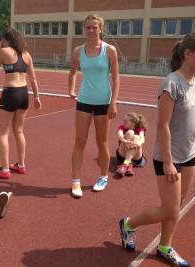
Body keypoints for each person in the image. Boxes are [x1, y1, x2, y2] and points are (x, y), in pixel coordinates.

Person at [119, 33, 195, 267]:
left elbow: (190, 124)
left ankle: (164, 246)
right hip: (169, 156)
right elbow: (163, 125)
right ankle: (128, 224)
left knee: (176, 206)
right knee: (170, 210)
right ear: (187, 53)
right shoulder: (171, 83)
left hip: (189, 154)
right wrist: (169, 162)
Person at [68, 14, 120, 198]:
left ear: (101, 29)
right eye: (87, 27)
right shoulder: (78, 51)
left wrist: (113, 103)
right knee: (80, 141)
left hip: (103, 103)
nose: (90, 30)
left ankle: (103, 177)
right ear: (84, 28)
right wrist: (71, 89)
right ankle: (75, 181)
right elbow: (73, 71)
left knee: (102, 142)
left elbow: (115, 78)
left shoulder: (110, 50)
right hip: (83, 100)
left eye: (94, 27)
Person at [0, 28, 42, 179]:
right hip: (24, 94)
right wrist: (37, 98)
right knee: (19, 131)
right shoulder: (27, 55)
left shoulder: (4, 51)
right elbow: (33, 78)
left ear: (7, 40)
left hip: (10, 93)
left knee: (3, 133)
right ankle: (21, 165)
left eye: (2, 40)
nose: (1, 43)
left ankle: (5, 170)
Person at [115, 112, 148, 177]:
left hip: (136, 158)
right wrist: (126, 142)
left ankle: (125, 164)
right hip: (122, 155)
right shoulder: (122, 127)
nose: (123, 122)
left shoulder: (140, 129)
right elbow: (120, 136)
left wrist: (136, 144)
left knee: (136, 137)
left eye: (125, 121)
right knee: (130, 132)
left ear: (132, 123)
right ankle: (128, 164)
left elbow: (142, 139)